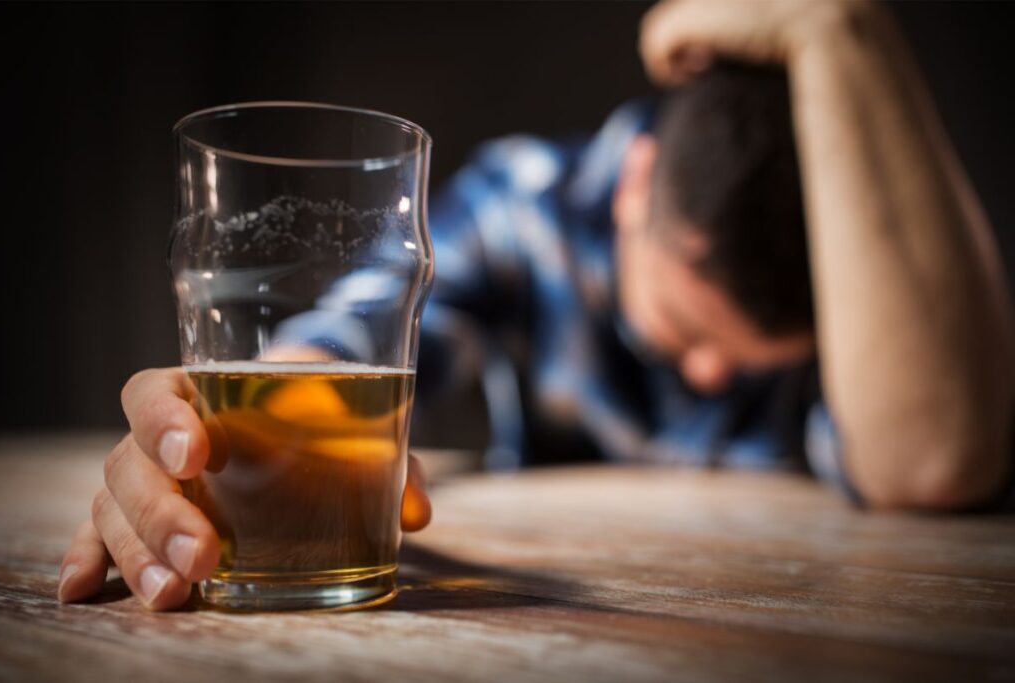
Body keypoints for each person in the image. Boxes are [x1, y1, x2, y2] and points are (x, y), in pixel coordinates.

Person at [58, 0, 1014, 610]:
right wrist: (208, 434)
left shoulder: (883, 285)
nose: (711, 376)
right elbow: (341, 340)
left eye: (753, 358)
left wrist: (838, 26)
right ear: (634, 183)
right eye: (684, 334)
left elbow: (934, 459)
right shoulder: (531, 208)